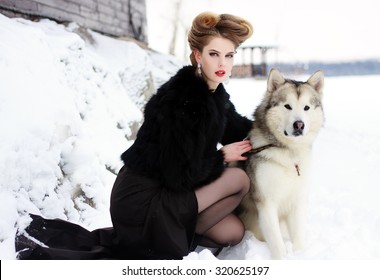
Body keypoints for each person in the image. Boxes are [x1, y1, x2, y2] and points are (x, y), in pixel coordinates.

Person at [15, 11, 254, 260]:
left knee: (233, 232)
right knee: (238, 180)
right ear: (198, 56)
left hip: (170, 194)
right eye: (214, 54)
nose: (222, 64)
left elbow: (241, 129)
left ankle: (175, 234)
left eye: (229, 56)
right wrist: (222, 156)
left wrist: (285, 133)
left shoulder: (215, 96)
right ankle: (164, 237)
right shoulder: (181, 99)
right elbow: (180, 175)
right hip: (142, 197)